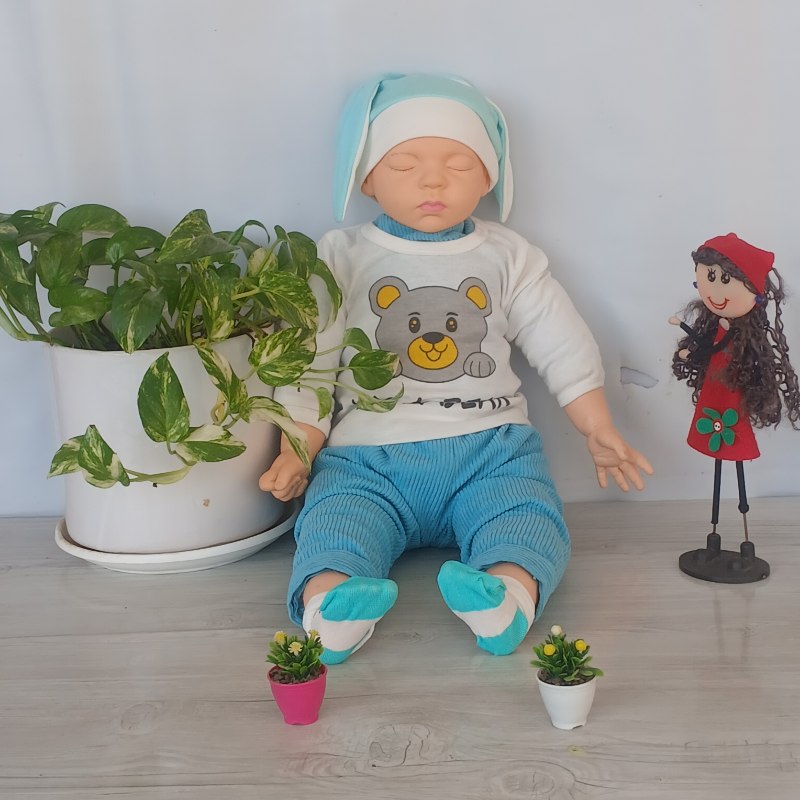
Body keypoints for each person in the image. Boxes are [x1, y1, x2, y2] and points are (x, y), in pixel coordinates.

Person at [260, 73, 652, 664]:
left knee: (527, 519)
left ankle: (505, 600)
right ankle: (333, 609)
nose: (433, 180)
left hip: (492, 453)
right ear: (365, 178)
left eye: (460, 164)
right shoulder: (340, 257)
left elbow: (561, 340)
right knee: (334, 523)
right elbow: (311, 362)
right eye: (404, 164)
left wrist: (596, 425)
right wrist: (297, 449)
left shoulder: (508, 256)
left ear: (489, 177)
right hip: (368, 459)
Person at [670, 233, 800, 579]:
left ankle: (746, 546)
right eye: (709, 276)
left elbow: (724, 354)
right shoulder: (714, 327)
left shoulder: (742, 338)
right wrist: (689, 349)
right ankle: (713, 538)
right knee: (716, 470)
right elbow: (707, 349)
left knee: (737, 468)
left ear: (754, 292)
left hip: (731, 411)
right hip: (713, 405)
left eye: (724, 279)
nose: (714, 289)